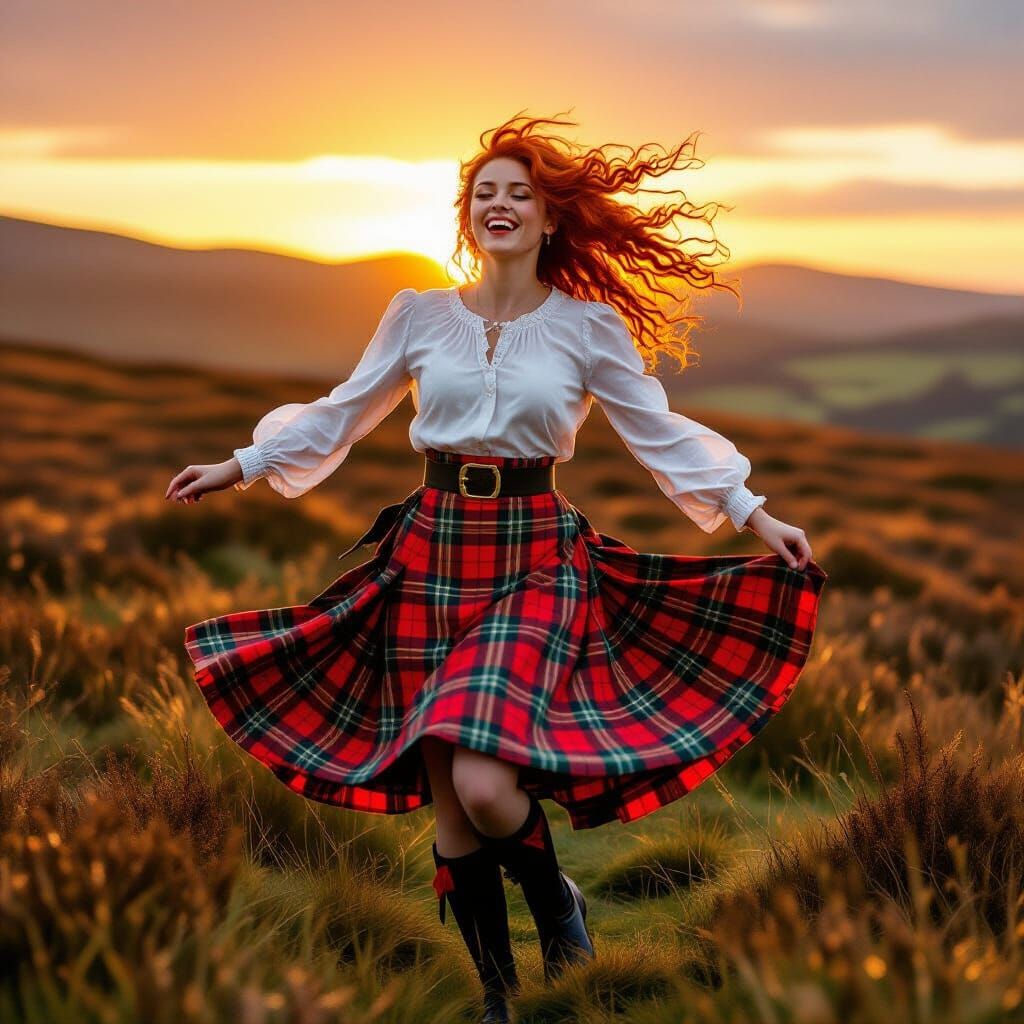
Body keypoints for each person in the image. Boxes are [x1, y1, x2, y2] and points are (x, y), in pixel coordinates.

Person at [168, 112, 827, 1024]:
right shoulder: (417, 314)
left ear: (551, 219)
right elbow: (347, 411)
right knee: (452, 806)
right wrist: (241, 465)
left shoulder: (587, 330)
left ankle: (559, 908)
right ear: (466, 216)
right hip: (431, 552)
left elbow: (658, 434)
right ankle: (497, 996)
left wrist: (754, 513)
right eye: (485, 194)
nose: (500, 206)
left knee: (484, 785)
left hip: (534, 560)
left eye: (520, 194)